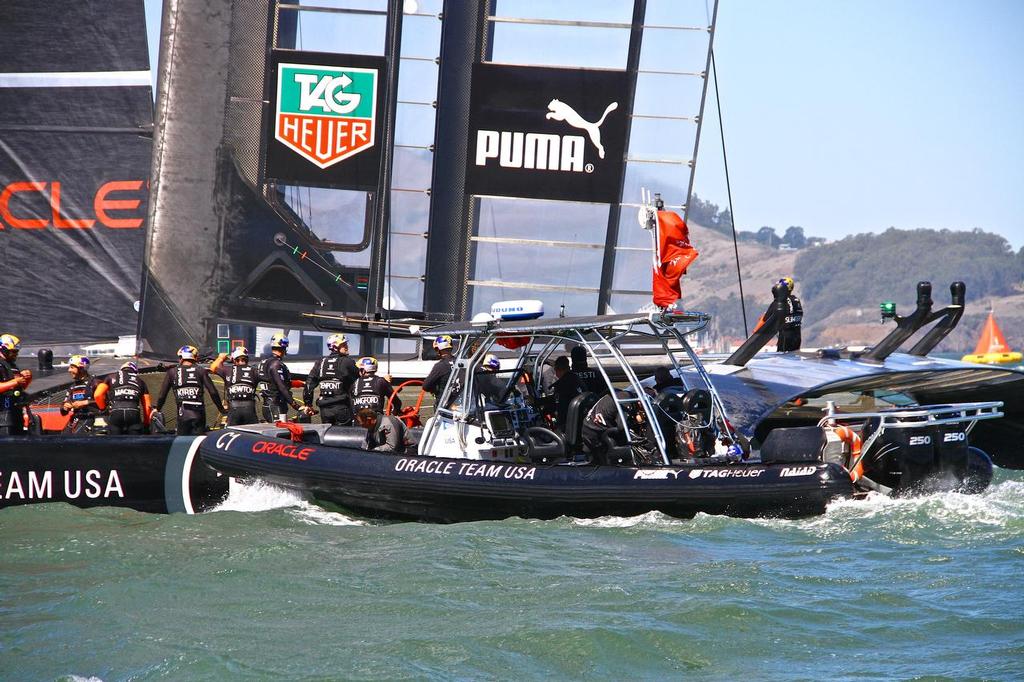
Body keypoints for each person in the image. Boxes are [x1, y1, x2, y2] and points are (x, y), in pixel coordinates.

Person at [155, 345, 226, 435]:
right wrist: (221, 409)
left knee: (182, 443)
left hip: (183, 415)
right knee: (198, 442)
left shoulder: (172, 372)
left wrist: (157, 409)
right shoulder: (201, 370)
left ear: (181, 358)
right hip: (199, 414)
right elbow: (213, 392)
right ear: (195, 358)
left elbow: (162, 395)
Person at [304, 333, 358, 426]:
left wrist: (308, 404)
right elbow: (359, 382)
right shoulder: (347, 362)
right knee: (344, 437)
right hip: (342, 408)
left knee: (328, 437)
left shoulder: (320, 362)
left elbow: (309, 384)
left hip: (324, 410)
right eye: (344, 345)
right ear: (335, 347)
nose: (347, 347)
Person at [257, 333, 311, 422]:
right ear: (285, 347)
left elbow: (281, 381)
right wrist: (296, 406)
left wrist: (302, 382)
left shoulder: (264, 362)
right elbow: (281, 386)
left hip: (269, 404)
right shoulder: (276, 364)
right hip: (275, 406)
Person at [95, 360, 151, 435]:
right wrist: (147, 424)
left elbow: (97, 395)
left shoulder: (111, 376)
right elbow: (147, 406)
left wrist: (103, 409)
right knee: (134, 444)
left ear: (122, 369)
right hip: (133, 412)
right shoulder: (140, 381)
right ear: (134, 371)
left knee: (115, 444)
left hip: (116, 411)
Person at [210, 346, 260, 426]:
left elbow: (213, 368)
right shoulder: (254, 370)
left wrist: (221, 358)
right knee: (251, 435)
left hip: (234, 409)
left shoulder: (227, 370)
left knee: (233, 434)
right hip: (250, 408)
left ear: (233, 360)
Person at [754, 277, 803, 352]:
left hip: (785, 338)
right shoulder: (796, 300)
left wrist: (755, 333)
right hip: (797, 337)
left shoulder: (779, 302)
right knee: (793, 358)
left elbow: (764, 321)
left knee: (783, 359)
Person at [60, 355, 103, 434]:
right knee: (61, 439)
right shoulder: (72, 387)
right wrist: (65, 407)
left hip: (92, 419)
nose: (69, 370)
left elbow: (106, 402)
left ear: (81, 368)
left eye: (72, 367)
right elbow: (63, 412)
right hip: (76, 420)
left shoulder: (95, 383)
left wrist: (85, 402)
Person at [0, 333, 32, 435]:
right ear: (3, 349)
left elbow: (20, 387)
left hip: (16, 410)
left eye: (16, 352)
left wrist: (26, 378)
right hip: (3, 413)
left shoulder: (12, 365)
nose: (15, 354)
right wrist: (14, 381)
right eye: (12, 352)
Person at [550, 355, 582, 428]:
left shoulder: (562, 384)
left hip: (567, 421)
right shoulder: (576, 378)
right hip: (579, 417)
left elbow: (554, 401)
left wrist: (537, 401)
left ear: (558, 369)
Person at [422, 334, 457, 401]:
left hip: (444, 403)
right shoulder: (460, 362)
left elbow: (426, 386)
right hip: (460, 400)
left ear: (438, 349)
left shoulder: (440, 366)